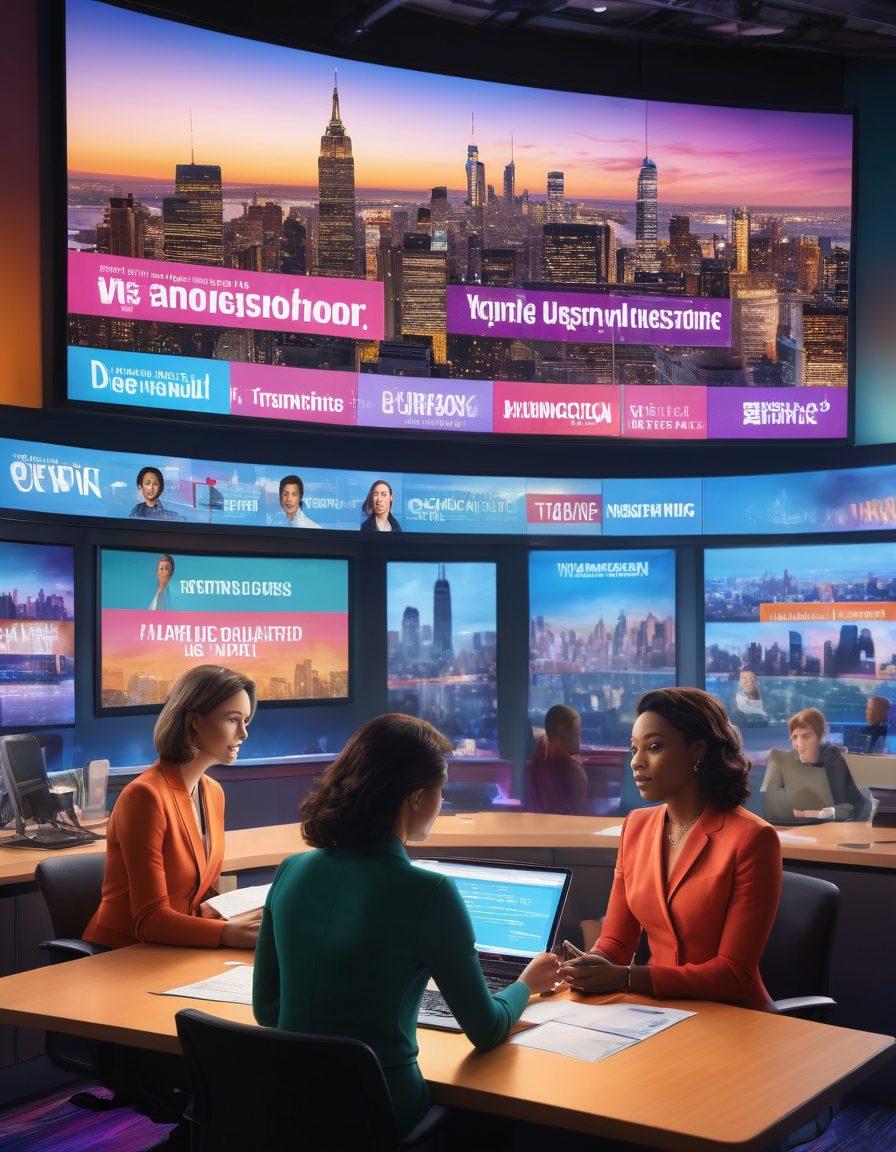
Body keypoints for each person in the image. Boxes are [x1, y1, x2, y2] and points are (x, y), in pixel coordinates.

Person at [253, 714, 559, 1138]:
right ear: (416, 798)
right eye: (442, 789)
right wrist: (527, 983)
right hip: (382, 1112)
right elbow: (487, 1030)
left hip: (289, 1110)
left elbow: (268, 1011)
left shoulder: (292, 870)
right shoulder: (428, 892)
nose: (442, 800)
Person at [560, 687, 782, 1012]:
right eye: (634, 748)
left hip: (733, 1018)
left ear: (697, 751)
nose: (636, 762)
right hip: (657, 1011)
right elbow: (617, 942)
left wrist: (626, 978)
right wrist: (591, 965)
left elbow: (734, 976)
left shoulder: (753, 839)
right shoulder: (636, 826)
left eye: (654, 747)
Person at [84, 665, 261, 950]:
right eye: (232, 720)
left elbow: (195, 895)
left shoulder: (213, 793)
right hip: (122, 955)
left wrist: (242, 915)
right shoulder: (144, 797)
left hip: (177, 949)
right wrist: (228, 933)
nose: (243, 733)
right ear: (194, 722)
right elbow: (149, 921)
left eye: (246, 722)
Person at [763, 707, 871, 821]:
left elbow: (849, 809)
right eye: (795, 737)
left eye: (806, 736)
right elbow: (771, 809)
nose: (799, 744)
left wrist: (805, 814)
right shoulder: (780, 759)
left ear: (820, 737)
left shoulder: (834, 760)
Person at [526, 704, 590, 816]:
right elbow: (581, 818)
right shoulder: (575, 773)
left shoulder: (533, 764)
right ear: (562, 732)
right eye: (577, 734)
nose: (579, 742)